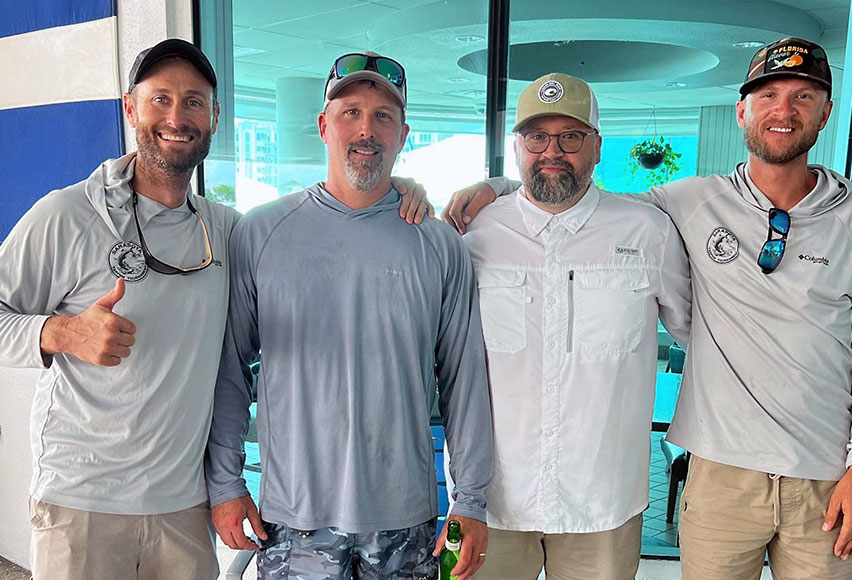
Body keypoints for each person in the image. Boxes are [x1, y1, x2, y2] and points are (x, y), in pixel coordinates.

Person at [439, 37, 852, 580]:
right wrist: (491, 189)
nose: (783, 110)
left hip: (793, 479)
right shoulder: (475, 236)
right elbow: (563, 200)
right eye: (535, 138)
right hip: (530, 495)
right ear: (742, 110)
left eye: (803, 96)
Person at [205, 51, 493, 580]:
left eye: (383, 115)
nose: (367, 129)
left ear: (403, 134)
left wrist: (471, 500)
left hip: (405, 519)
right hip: (293, 520)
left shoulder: (437, 244)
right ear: (323, 126)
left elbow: (464, 382)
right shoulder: (260, 233)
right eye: (350, 112)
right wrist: (226, 484)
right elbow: (229, 371)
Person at [0, 39, 234, 579]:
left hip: (182, 508)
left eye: (194, 102)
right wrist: (59, 333)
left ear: (214, 117)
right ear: (130, 108)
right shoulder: (64, 215)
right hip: (82, 503)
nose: (177, 117)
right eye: (160, 99)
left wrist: (407, 191)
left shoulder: (223, 231)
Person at [451, 72, 691, 580]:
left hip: (602, 502)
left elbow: (699, 335)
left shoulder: (647, 232)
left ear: (597, 146)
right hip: (487, 500)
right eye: (536, 137)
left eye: (571, 137)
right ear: (517, 148)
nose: (551, 151)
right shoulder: (471, 235)